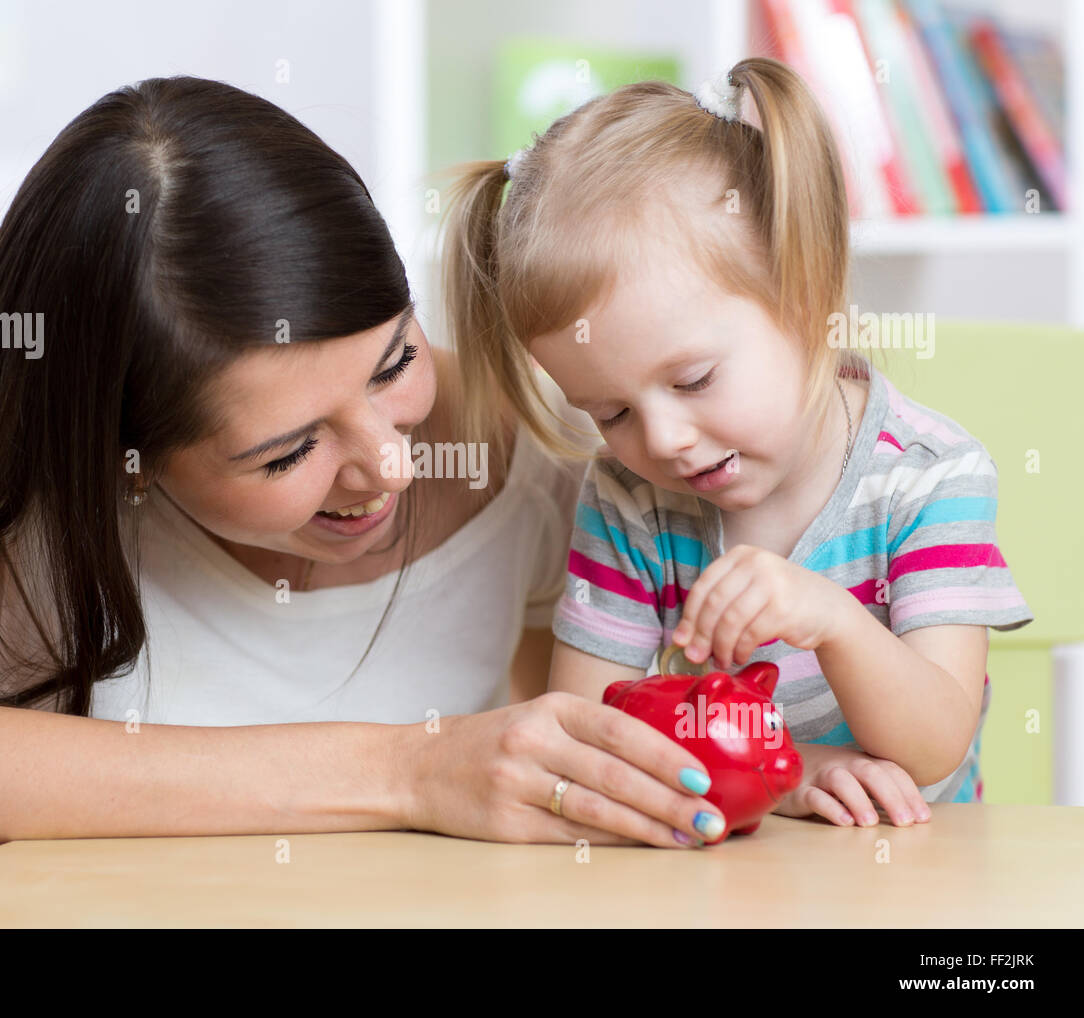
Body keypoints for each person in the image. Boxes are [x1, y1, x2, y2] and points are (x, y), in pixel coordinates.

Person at [0, 76, 726, 914]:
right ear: (127, 457)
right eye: (287, 454)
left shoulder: (543, 437)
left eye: (394, 363)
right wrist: (410, 770)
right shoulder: (10, 462)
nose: (389, 469)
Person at [441, 58, 1034, 831]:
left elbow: (935, 747)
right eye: (610, 412)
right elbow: (589, 739)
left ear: (806, 289)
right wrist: (789, 774)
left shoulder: (929, 478)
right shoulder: (630, 500)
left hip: (913, 877)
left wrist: (833, 620)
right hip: (721, 869)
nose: (662, 440)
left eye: (692, 381)